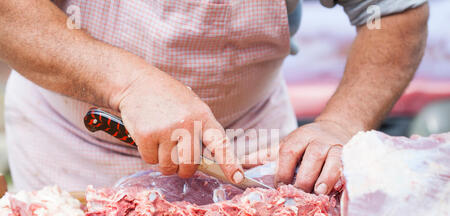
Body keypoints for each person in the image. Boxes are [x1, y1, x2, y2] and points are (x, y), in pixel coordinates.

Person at [0, 0, 429, 193]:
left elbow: (394, 12)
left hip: (253, 147)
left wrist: (341, 122)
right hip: (76, 145)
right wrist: (129, 83)